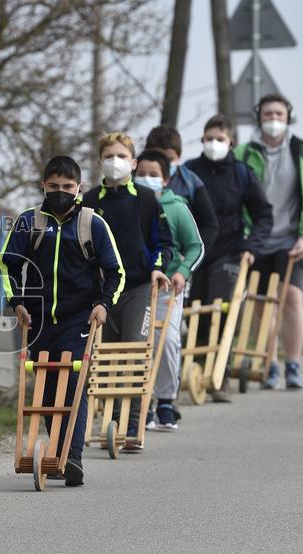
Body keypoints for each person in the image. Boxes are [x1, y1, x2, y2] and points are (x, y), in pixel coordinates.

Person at [0, 155, 125, 486]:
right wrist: (17, 303)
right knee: (45, 388)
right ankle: (55, 452)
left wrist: (103, 304)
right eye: (53, 186)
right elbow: (7, 265)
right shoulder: (29, 222)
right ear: (43, 186)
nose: (60, 192)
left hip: (79, 319)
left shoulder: (92, 224)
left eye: (67, 187)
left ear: (80, 188)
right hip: (38, 321)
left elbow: (115, 271)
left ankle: (73, 457)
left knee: (73, 385)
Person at [82, 132, 173, 449]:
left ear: (133, 162)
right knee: (102, 358)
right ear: (99, 162)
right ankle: (105, 423)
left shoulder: (147, 200)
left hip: (137, 288)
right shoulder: (90, 202)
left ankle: (132, 426)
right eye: (109, 156)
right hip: (102, 292)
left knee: (134, 354)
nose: (115, 162)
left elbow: (162, 244)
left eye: (122, 156)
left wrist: (158, 267)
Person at [235, 93, 303, 389]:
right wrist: (244, 234)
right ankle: (269, 363)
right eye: (267, 114)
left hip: (291, 239)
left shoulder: (302, 151)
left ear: (288, 117)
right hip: (257, 239)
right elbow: (233, 194)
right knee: (261, 304)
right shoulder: (245, 153)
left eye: (279, 114)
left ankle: (294, 365)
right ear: (259, 117)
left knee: (292, 297)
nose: (273, 120)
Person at [184, 114, 273, 402]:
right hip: (196, 252)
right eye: (208, 139)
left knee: (221, 310)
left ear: (231, 142)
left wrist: (251, 245)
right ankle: (195, 370)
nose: (213, 144)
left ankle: (219, 376)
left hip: (230, 252)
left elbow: (263, 214)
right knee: (195, 310)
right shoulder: (189, 171)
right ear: (201, 140)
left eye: (219, 139)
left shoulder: (243, 173)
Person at [134, 150, 204, 431]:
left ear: (165, 180)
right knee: (138, 344)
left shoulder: (177, 207)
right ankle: (141, 402)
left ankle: (165, 400)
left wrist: (182, 272)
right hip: (136, 288)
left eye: (154, 175)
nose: (147, 180)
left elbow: (195, 246)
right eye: (142, 174)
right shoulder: (131, 206)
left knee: (168, 341)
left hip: (168, 290)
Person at [145, 125, 219, 256]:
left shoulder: (190, 182)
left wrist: (189, 259)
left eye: (169, 159)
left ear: (179, 157)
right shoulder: (135, 181)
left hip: (178, 265)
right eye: (159, 158)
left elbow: (209, 225)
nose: (164, 165)